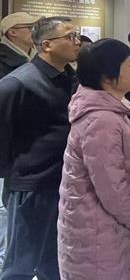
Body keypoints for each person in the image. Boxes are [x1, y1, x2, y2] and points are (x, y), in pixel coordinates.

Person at [57, 38, 130, 280]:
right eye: (129, 64)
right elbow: (112, 187)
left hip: (101, 227)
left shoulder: (109, 110)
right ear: (108, 77)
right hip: (97, 233)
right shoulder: (102, 121)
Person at [0, 16, 80, 280]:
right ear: (47, 45)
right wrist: (17, 175)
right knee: (20, 263)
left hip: (64, 181)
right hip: (31, 185)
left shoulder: (71, 78)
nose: (77, 41)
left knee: (55, 259)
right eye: (70, 36)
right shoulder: (17, 83)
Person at [0, 12, 38, 271]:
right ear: (12, 32)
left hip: (27, 144)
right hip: (9, 143)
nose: (34, 31)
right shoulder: (6, 63)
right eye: (29, 27)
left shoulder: (31, 58)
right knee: (5, 207)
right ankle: (6, 257)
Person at [0, 12, 38, 79]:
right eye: (30, 27)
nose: (36, 31)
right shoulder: (2, 61)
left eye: (36, 27)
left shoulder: (40, 54)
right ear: (12, 32)